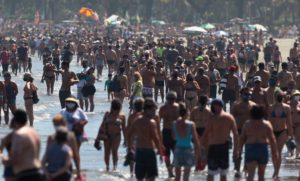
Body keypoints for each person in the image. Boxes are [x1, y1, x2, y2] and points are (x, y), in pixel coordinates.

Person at [238, 105, 279, 181]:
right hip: (262, 148)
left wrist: (239, 151)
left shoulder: (247, 124)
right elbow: (272, 139)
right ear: (262, 114)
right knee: (261, 175)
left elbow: (242, 138)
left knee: (250, 175)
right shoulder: (266, 124)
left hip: (250, 148)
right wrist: (275, 151)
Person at [127, 98, 164, 181]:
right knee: (151, 177)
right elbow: (156, 138)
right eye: (153, 110)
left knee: (140, 177)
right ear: (147, 110)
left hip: (139, 151)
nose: (154, 113)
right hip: (149, 151)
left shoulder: (136, 120)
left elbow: (129, 135)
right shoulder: (151, 122)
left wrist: (130, 149)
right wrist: (161, 152)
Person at [202, 99, 239, 181]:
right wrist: (235, 150)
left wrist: (201, 150)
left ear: (216, 106)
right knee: (223, 173)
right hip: (224, 148)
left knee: (211, 173)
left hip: (213, 148)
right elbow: (236, 135)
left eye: (212, 106)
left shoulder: (212, 119)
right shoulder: (230, 117)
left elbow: (205, 135)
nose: (211, 108)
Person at [3, 109, 44, 181]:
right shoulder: (34, 133)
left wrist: (5, 160)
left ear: (15, 121)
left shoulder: (18, 134)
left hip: (25, 174)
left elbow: (16, 159)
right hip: (38, 171)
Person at [46, 114, 81, 180]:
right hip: (52, 168)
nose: (56, 126)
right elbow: (47, 155)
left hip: (65, 169)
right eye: (55, 124)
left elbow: (75, 156)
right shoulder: (50, 137)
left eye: (58, 124)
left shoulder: (70, 137)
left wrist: (78, 171)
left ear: (63, 123)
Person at [231, 87, 256, 177]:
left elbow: (256, 119)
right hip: (239, 130)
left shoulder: (253, 105)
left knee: (249, 151)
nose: (247, 96)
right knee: (238, 151)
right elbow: (231, 119)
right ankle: (237, 170)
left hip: (250, 132)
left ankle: (246, 169)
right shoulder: (236, 105)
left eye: (249, 94)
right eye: (245, 94)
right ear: (241, 95)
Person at [95, 99, 126, 171]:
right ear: (112, 108)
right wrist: (97, 137)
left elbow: (124, 128)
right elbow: (102, 125)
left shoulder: (122, 116)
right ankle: (107, 167)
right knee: (107, 152)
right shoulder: (107, 114)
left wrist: (125, 139)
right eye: (114, 110)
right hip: (107, 135)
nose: (116, 112)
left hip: (117, 135)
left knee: (115, 151)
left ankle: (115, 167)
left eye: (117, 110)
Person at [172, 102, 200, 181]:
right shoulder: (191, 124)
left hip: (178, 149)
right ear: (186, 114)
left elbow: (174, 137)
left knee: (177, 175)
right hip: (188, 149)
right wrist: (199, 150)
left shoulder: (174, 123)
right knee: (186, 175)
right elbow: (195, 139)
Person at [268, 91, 293, 178]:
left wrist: (291, 135)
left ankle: (277, 172)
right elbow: (268, 122)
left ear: (283, 97)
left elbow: (289, 122)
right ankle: (275, 169)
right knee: (274, 153)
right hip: (273, 132)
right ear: (275, 97)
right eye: (278, 96)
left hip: (283, 131)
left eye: (281, 96)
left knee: (279, 151)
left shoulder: (287, 108)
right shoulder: (271, 108)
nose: (279, 98)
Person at [159, 91, 179, 178]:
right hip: (166, 131)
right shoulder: (163, 108)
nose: (171, 101)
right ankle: (169, 172)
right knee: (166, 154)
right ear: (167, 99)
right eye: (169, 99)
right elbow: (157, 121)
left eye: (172, 99)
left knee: (177, 154)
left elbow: (182, 121)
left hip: (175, 132)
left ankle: (171, 167)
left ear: (175, 99)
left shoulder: (178, 108)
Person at [125, 98, 144, 176]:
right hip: (142, 139)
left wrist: (126, 140)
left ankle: (131, 173)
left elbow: (128, 129)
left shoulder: (131, 116)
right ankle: (138, 173)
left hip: (132, 139)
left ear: (134, 107)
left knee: (131, 156)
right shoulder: (144, 116)